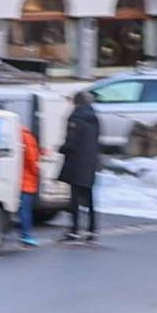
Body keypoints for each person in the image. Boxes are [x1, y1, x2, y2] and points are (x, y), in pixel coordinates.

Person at [60, 89, 105, 242]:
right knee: (90, 197)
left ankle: (74, 230)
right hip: (90, 162)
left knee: (74, 199)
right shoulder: (94, 118)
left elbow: (71, 143)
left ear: (76, 102)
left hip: (76, 162)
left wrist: (61, 149)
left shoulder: (75, 117)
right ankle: (92, 230)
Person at [15, 116, 45, 247]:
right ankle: (26, 235)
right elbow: (31, 158)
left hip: (15, 178)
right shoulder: (27, 137)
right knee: (26, 209)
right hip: (27, 178)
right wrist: (37, 171)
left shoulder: (13, 135)